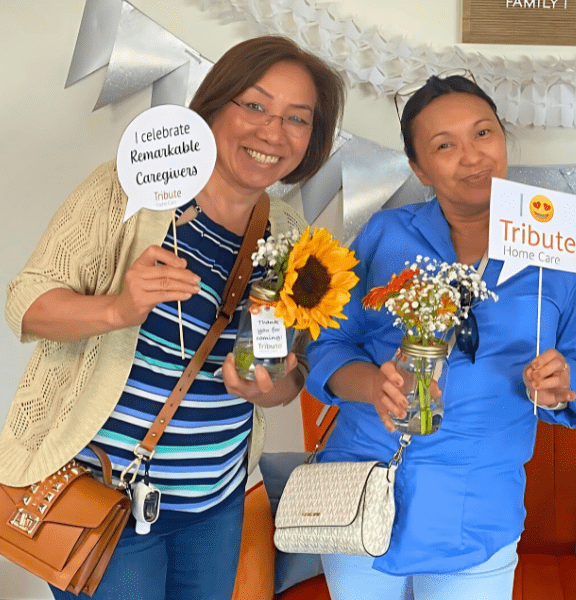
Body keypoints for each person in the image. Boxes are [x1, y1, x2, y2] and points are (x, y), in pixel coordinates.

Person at [1, 35, 345, 599]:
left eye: (297, 118)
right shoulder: (130, 193)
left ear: (312, 138)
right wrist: (118, 307)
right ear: (213, 107)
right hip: (105, 494)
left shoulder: (291, 237)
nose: (271, 132)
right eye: (254, 106)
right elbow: (26, 303)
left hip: (215, 505)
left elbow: (291, 375)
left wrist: (269, 386)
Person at [305, 73, 576, 599]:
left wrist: (561, 382)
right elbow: (328, 347)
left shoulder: (561, 245)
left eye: (483, 134)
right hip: (361, 489)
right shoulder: (385, 233)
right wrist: (374, 385)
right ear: (418, 167)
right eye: (445, 146)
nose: (472, 157)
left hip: (476, 507)